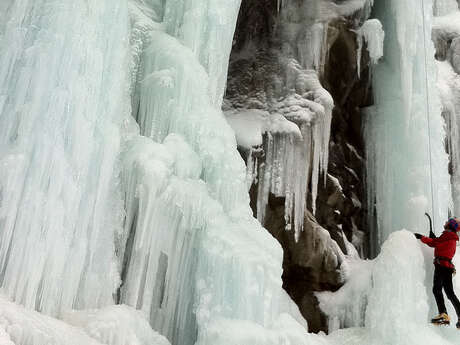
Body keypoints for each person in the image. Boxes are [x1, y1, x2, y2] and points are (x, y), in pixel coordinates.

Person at [415, 218, 460, 327]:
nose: (445, 223)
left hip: (442, 266)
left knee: (437, 289)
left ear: (450, 225)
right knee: (449, 293)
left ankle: (443, 314)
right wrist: (433, 237)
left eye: (447, 222)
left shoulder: (448, 235)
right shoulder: (451, 236)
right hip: (447, 267)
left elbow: (435, 243)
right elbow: (440, 243)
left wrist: (422, 237)